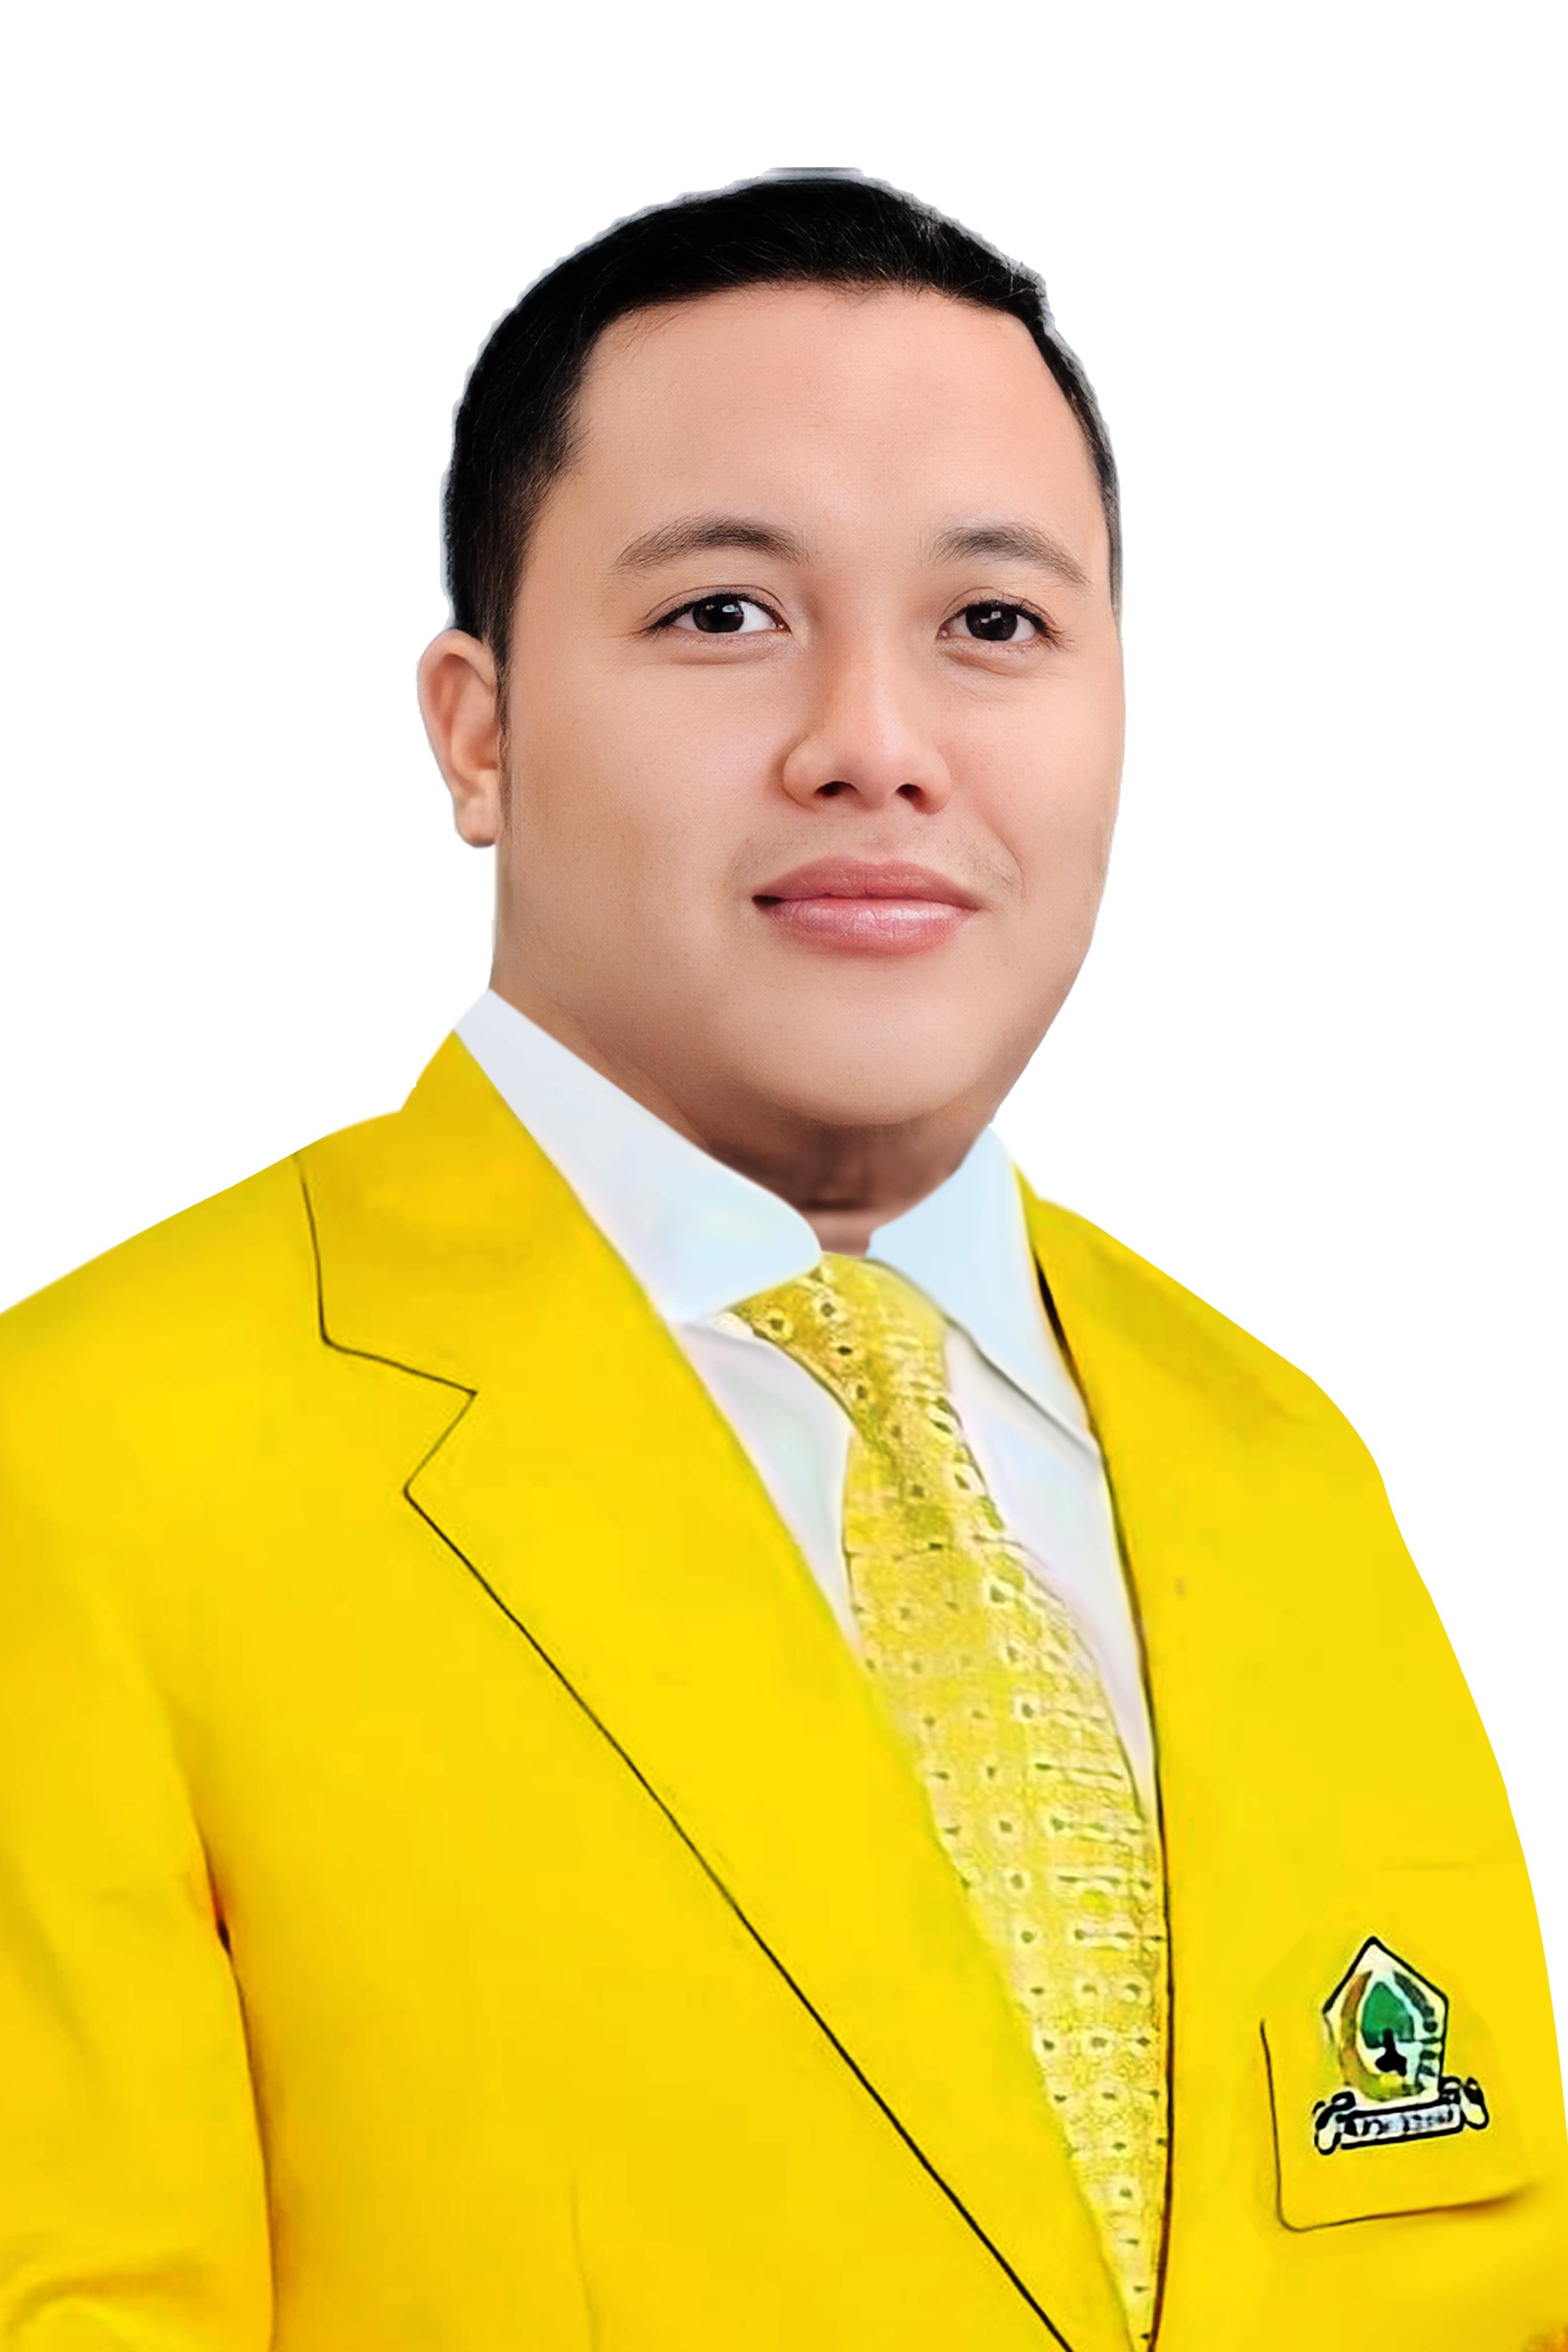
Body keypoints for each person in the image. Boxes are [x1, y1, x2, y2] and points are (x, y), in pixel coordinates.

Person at [0, 172, 1562, 2352]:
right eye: (725, 611)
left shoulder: (1286, 1466)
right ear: (477, 729)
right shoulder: (82, 1470)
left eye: (993, 622)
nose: (877, 743)